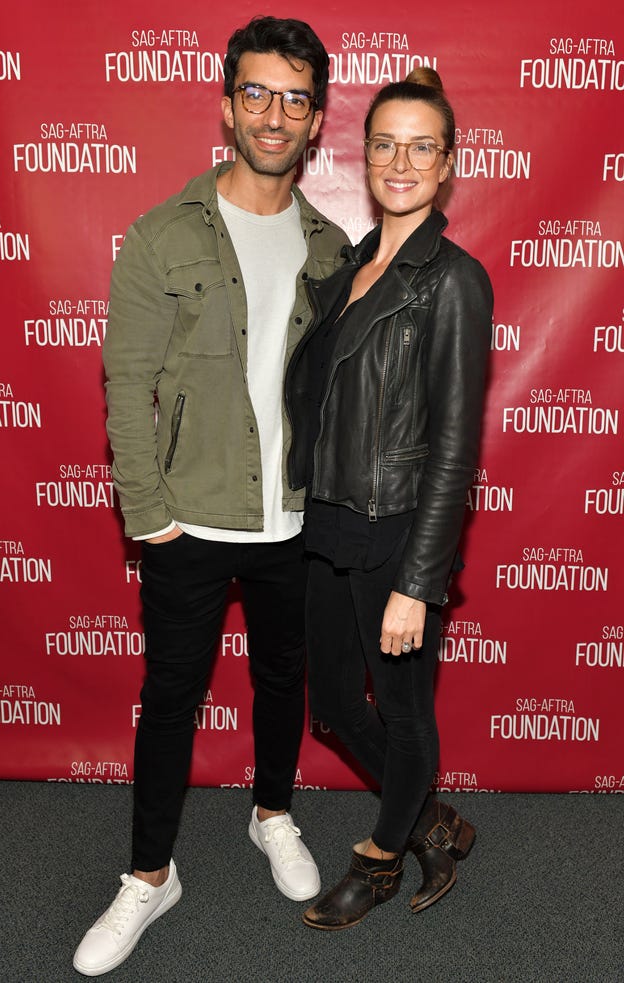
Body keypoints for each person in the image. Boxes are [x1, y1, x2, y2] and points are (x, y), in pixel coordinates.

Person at [73, 17, 349, 977]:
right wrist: (148, 513)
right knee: (171, 697)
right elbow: (126, 383)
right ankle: (150, 874)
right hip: (186, 516)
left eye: (296, 98)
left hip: (296, 515)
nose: (275, 114)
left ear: (316, 119)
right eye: (258, 93)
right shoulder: (162, 234)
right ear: (229, 105)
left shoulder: (333, 247)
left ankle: (272, 811)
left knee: (283, 676)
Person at [285, 67, 493, 930]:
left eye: (421, 147)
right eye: (385, 145)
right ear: (364, 155)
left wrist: (418, 579)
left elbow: (454, 447)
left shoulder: (452, 280)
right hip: (327, 522)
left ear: (448, 163)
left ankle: (379, 857)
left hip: (397, 530)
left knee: (403, 713)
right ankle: (433, 822)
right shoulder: (350, 266)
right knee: (334, 705)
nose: (400, 163)